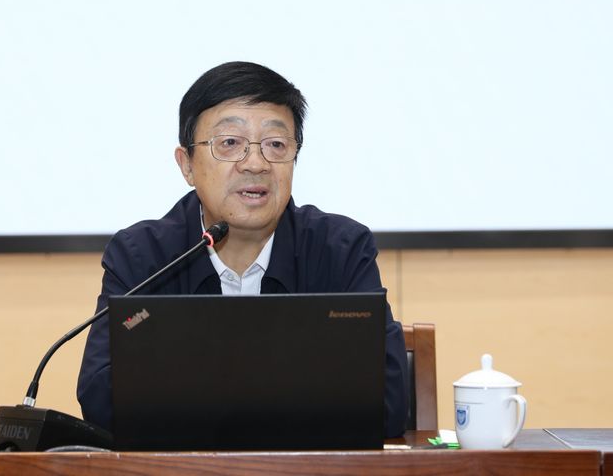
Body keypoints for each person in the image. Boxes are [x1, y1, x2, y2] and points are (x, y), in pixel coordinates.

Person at [77, 61, 409, 437]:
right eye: (230, 143)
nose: (255, 163)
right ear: (187, 165)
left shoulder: (340, 251)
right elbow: (102, 400)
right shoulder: (142, 257)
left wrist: (197, 395)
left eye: (276, 144)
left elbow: (388, 403)